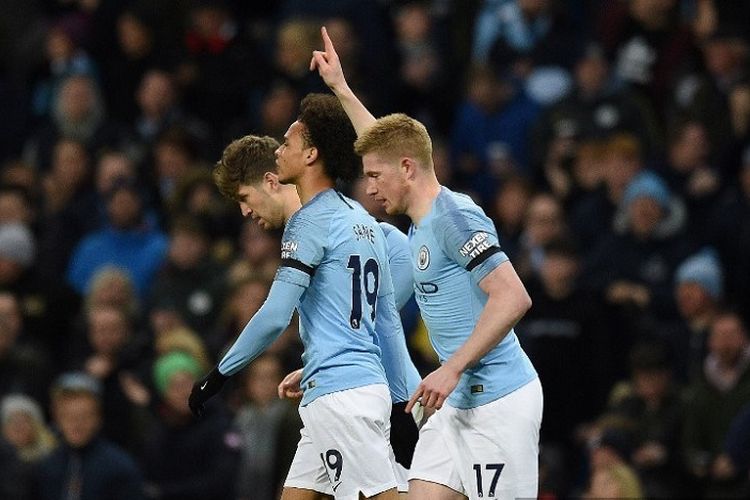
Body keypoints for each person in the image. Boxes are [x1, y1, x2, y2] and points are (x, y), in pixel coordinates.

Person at [312, 26, 542, 500]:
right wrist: (341, 88)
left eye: (376, 176)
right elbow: (383, 144)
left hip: (498, 403)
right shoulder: (419, 222)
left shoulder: (453, 218)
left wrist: (452, 367)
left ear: (408, 169)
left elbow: (514, 296)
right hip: (452, 406)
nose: (369, 188)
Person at [189, 93, 414, 499]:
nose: (279, 153)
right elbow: (388, 311)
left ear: (310, 155)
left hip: (341, 396)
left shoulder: (307, 225)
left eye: (287, 146)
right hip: (348, 386)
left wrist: (219, 375)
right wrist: (397, 397)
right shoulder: (360, 219)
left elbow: (276, 315)